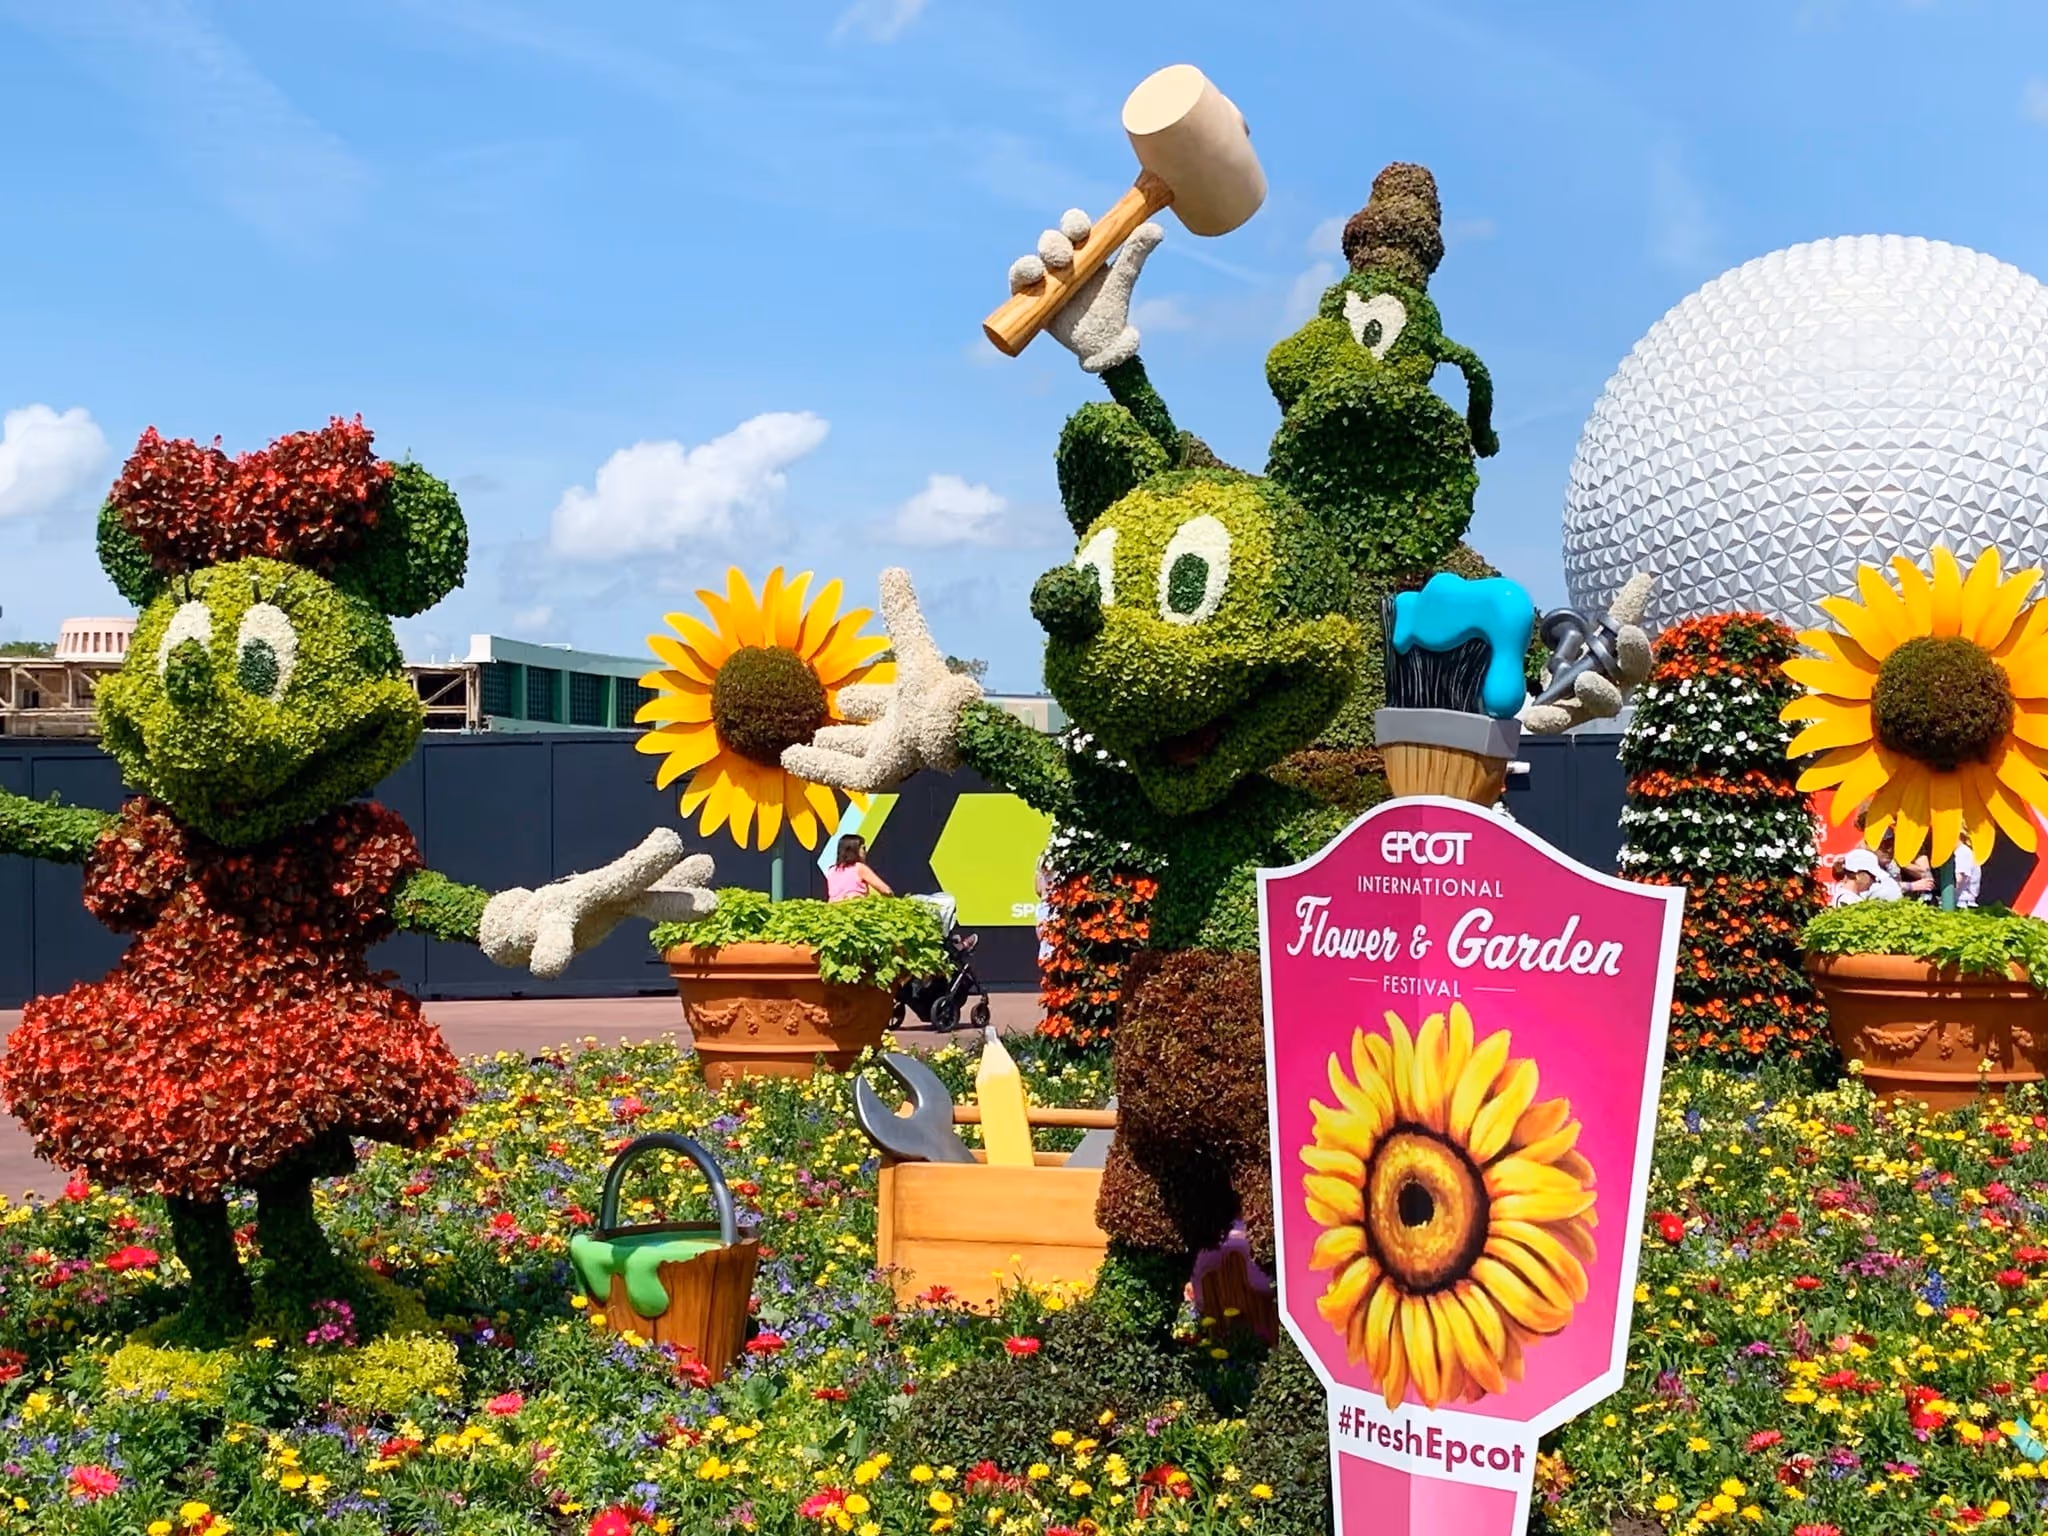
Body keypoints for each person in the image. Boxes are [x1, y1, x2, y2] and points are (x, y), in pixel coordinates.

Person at [825, 834, 892, 902]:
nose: (865, 852)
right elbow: (886, 890)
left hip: (834, 910)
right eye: (863, 848)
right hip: (855, 908)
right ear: (854, 850)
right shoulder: (859, 868)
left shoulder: (831, 870)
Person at [1831, 847, 1900, 906]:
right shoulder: (1846, 899)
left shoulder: (1853, 897)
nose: (1874, 881)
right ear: (1858, 875)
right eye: (1872, 876)